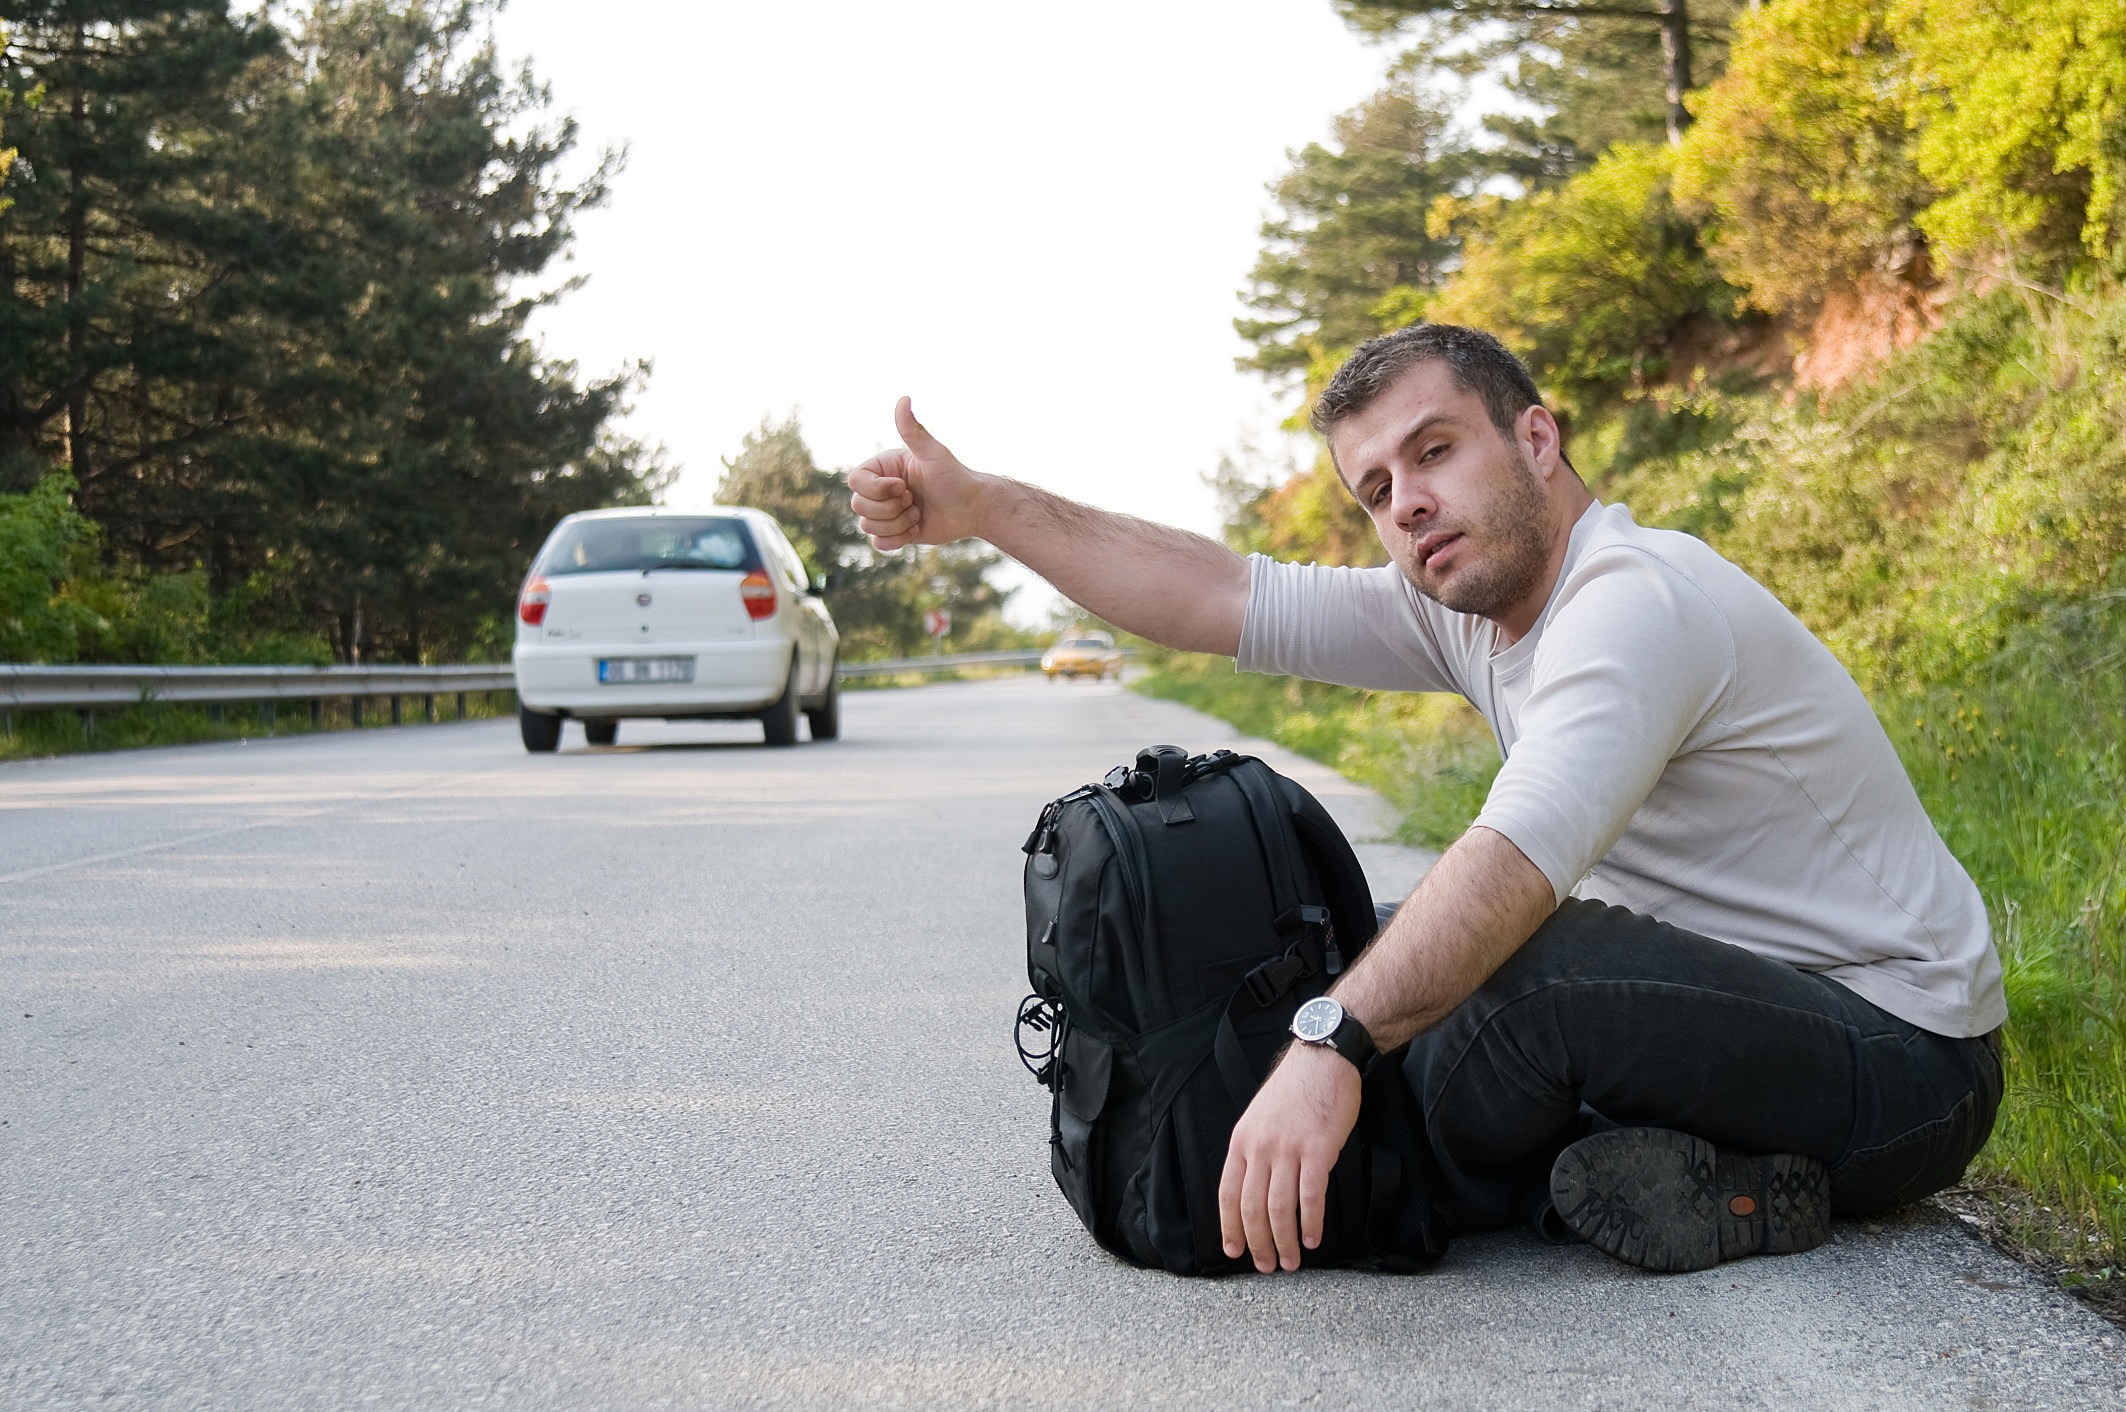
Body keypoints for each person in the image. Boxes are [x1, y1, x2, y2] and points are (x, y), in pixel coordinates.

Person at [848, 324, 2005, 1277]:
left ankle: (1365, 1188)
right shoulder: (1463, 609)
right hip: (1736, 1010)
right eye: (1376, 486)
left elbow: (1513, 860)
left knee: (1514, 977)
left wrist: (1329, 1042)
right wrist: (986, 507)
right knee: (1401, 945)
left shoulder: (1631, 601)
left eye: (1434, 450)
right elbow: (1212, 591)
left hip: (1904, 1063)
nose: (1406, 502)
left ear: (1535, 438)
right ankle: (1668, 1179)